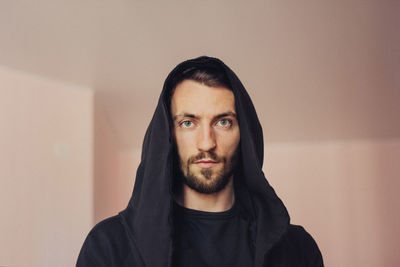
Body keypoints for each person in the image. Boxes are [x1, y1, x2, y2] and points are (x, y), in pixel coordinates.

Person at [76, 56, 324, 267]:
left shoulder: (296, 250)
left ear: (244, 135)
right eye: (188, 123)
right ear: (168, 135)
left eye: (223, 122)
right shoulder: (110, 246)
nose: (206, 143)